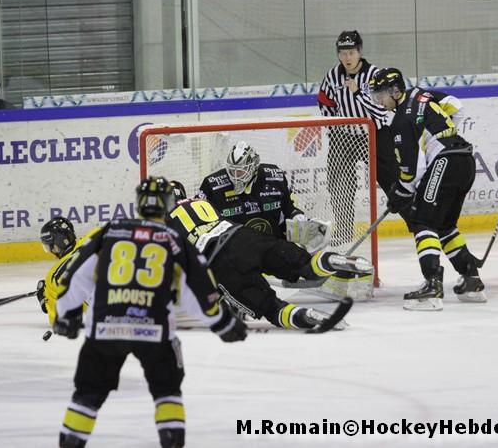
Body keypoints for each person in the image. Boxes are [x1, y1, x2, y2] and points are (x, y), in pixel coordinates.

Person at [51, 176, 247, 448]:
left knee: (87, 394)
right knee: (167, 393)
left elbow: (73, 278)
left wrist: (67, 316)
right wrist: (223, 323)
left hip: (105, 329)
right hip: (154, 331)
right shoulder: (174, 238)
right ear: (168, 204)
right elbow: (197, 289)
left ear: (139, 203)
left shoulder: (110, 231)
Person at [169, 180, 369, 330]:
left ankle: (306, 316)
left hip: (218, 261)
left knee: (272, 308)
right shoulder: (200, 203)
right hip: (244, 236)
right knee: (306, 265)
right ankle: (330, 260)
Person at [368, 67, 486, 311]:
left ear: (395, 90)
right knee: (444, 225)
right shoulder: (424, 95)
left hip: (446, 162)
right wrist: (442, 134)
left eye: (381, 94)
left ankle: (432, 287)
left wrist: (400, 193)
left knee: (423, 221)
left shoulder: (401, 120)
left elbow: (411, 169)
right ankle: (472, 281)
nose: (378, 100)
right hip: (465, 158)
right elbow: (456, 106)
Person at [317, 30, 393, 245]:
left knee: (392, 181)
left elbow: (380, 112)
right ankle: (344, 232)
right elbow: (325, 102)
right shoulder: (333, 76)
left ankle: (415, 222)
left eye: (351, 52)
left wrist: (358, 92)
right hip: (344, 138)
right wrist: (335, 129)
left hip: (375, 136)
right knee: (339, 185)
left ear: (359, 52)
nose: (346, 58)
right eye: (342, 53)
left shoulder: (375, 76)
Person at [35, 217, 100, 325]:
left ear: (59, 242)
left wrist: (43, 298)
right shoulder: (96, 234)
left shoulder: (53, 277)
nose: (52, 251)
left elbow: (58, 319)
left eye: (51, 247)